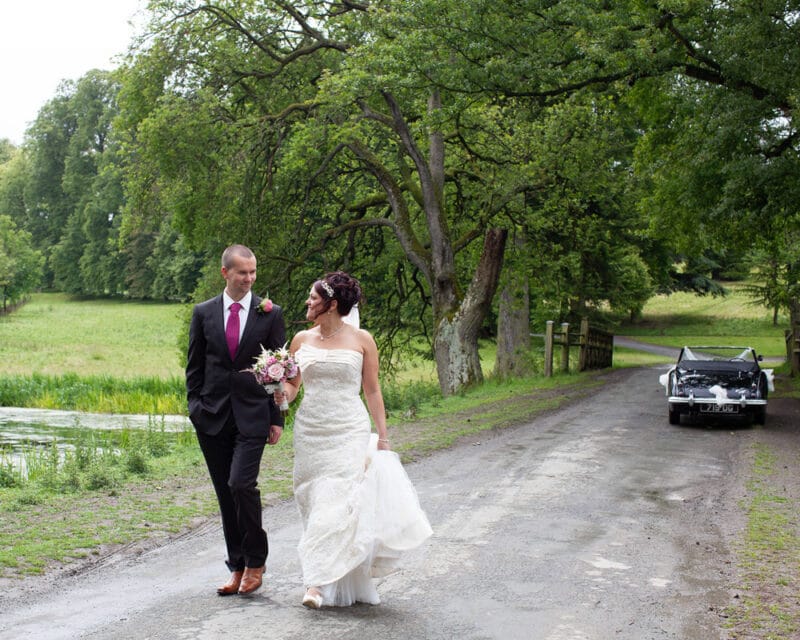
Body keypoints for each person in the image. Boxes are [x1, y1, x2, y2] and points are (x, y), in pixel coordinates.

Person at [280, 271, 432, 609]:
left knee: (336, 500)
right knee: (313, 499)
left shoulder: (362, 340)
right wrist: (279, 395)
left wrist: (384, 436)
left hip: (348, 428)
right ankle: (330, 574)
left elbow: (372, 389)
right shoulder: (301, 340)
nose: (308, 302)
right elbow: (292, 387)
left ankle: (316, 584)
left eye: (314, 297)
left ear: (332, 304)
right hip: (310, 432)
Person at [186, 244, 287, 596]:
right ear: (225, 273)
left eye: (253, 272)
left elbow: (278, 371)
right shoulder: (203, 313)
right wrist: (195, 409)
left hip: (253, 415)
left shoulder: (270, 314)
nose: (249, 279)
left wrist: (277, 418)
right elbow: (194, 367)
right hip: (211, 418)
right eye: (242, 272)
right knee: (225, 494)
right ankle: (237, 566)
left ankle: (256, 560)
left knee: (241, 485)